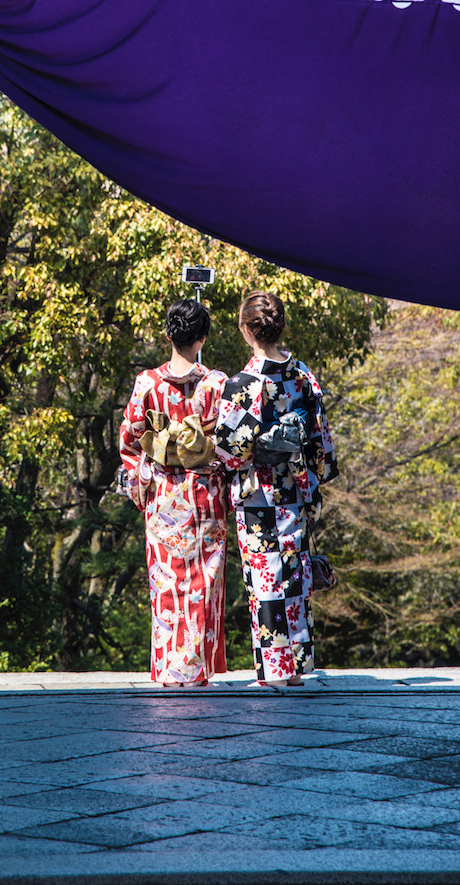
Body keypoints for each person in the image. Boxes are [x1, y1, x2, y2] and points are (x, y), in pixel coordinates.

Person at [201, 290, 337, 687]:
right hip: (293, 487)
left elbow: (228, 451)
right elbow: (320, 438)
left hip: (258, 494)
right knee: (293, 573)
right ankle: (296, 668)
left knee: (264, 580)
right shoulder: (302, 376)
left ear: (246, 329)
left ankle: (274, 670)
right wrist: (313, 475)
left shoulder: (244, 383)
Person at [118, 299, 228, 686]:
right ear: (203, 338)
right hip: (205, 494)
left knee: (166, 582)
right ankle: (195, 669)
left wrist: (142, 481)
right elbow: (231, 447)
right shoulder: (217, 384)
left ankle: (169, 668)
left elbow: (130, 445)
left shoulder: (146, 383)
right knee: (203, 581)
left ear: (168, 335)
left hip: (163, 494)